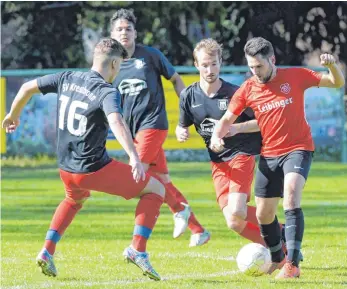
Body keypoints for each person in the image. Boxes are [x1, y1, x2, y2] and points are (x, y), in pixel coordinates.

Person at [2, 38, 167, 281]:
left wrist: (12, 115)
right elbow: (116, 121)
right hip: (92, 169)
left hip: (65, 167)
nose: (118, 71)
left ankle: (47, 250)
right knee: (156, 189)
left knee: (73, 198)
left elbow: (27, 87)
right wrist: (133, 155)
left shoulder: (67, 77)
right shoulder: (106, 90)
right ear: (113, 63)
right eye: (119, 65)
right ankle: (137, 250)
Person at [210, 37, 345, 279]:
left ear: (272, 60)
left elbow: (336, 82)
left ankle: (292, 265)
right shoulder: (248, 88)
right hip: (269, 154)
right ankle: (277, 258)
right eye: (251, 67)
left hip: (298, 148)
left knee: (291, 196)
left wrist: (332, 65)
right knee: (263, 214)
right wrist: (216, 137)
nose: (255, 71)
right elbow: (226, 120)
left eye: (259, 66)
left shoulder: (296, 76)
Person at [110, 8, 210, 246]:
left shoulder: (150, 56)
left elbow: (175, 79)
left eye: (128, 29)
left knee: (136, 181)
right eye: (119, 29)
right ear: (112, 34)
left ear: (136, 32)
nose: (124, 33)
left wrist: (188, 109)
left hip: (153, 125)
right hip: (133, 132)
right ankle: (198, 229)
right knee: (162, 181)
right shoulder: (112, 64)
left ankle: (138, 244)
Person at [176, 38, 279, 247]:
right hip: (218, 163)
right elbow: (182, 125)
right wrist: (180, 132)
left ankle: (276, 231)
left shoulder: (235, 93)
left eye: (214, 63)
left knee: (238, 210)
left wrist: (235, 129)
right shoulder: (188, 96)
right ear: (196, 65)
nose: (210, 69)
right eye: (204, 64)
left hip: (242, 154)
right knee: (233, 222)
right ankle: (280, 242)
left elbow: (261, 121)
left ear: (220, 62)